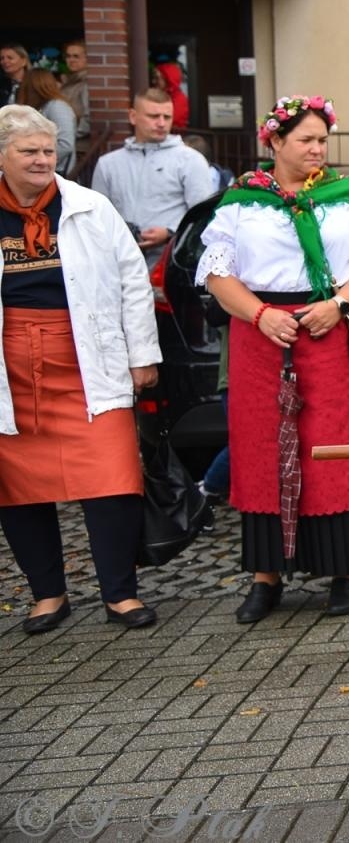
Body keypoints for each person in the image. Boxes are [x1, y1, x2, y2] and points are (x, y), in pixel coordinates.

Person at [197, 95, 349, 623]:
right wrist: (260, 315)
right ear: (275, 143)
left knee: (336, 447)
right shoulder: (240, 202)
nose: (317, 150)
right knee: (263, 452)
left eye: (322, 140)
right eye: (305, 140)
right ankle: (266, 578)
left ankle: (345, 573)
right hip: (263, 341)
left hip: (331, 334)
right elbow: (218, 275)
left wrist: (339, 304)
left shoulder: (345, 196)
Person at [0, 104, 161, 632]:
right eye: (29, 151)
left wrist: (142, 356)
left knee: (113, 478)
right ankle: (48, 595)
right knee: (18, 486)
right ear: (2, 156)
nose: (44, 159)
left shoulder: (89, 206)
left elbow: (133, 281)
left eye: (48, 150)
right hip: (11, 366)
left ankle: (120, 594)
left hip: (88, 358)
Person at [91, 89, 213, 265]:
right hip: (118, 258)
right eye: (153, 116)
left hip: (172, 258)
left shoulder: (191, 160)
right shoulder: (108, 163)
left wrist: (170, 232)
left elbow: (203, 215)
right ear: (133, 117)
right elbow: (97, 216)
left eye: (167, 117)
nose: (162, 123)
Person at [17, 70, 76, 176]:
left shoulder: (57, 106)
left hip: (55, 171)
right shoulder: (39, 107)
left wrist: (39, 160)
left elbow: (65, 144)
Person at [59, 40, 91, 130]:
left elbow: (89, 116)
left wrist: (74, 134)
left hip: (78, 139)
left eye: (76, 56)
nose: (71, 60)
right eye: (68, 56)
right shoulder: (68, 81)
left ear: (87, 59)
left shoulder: (86, 83)